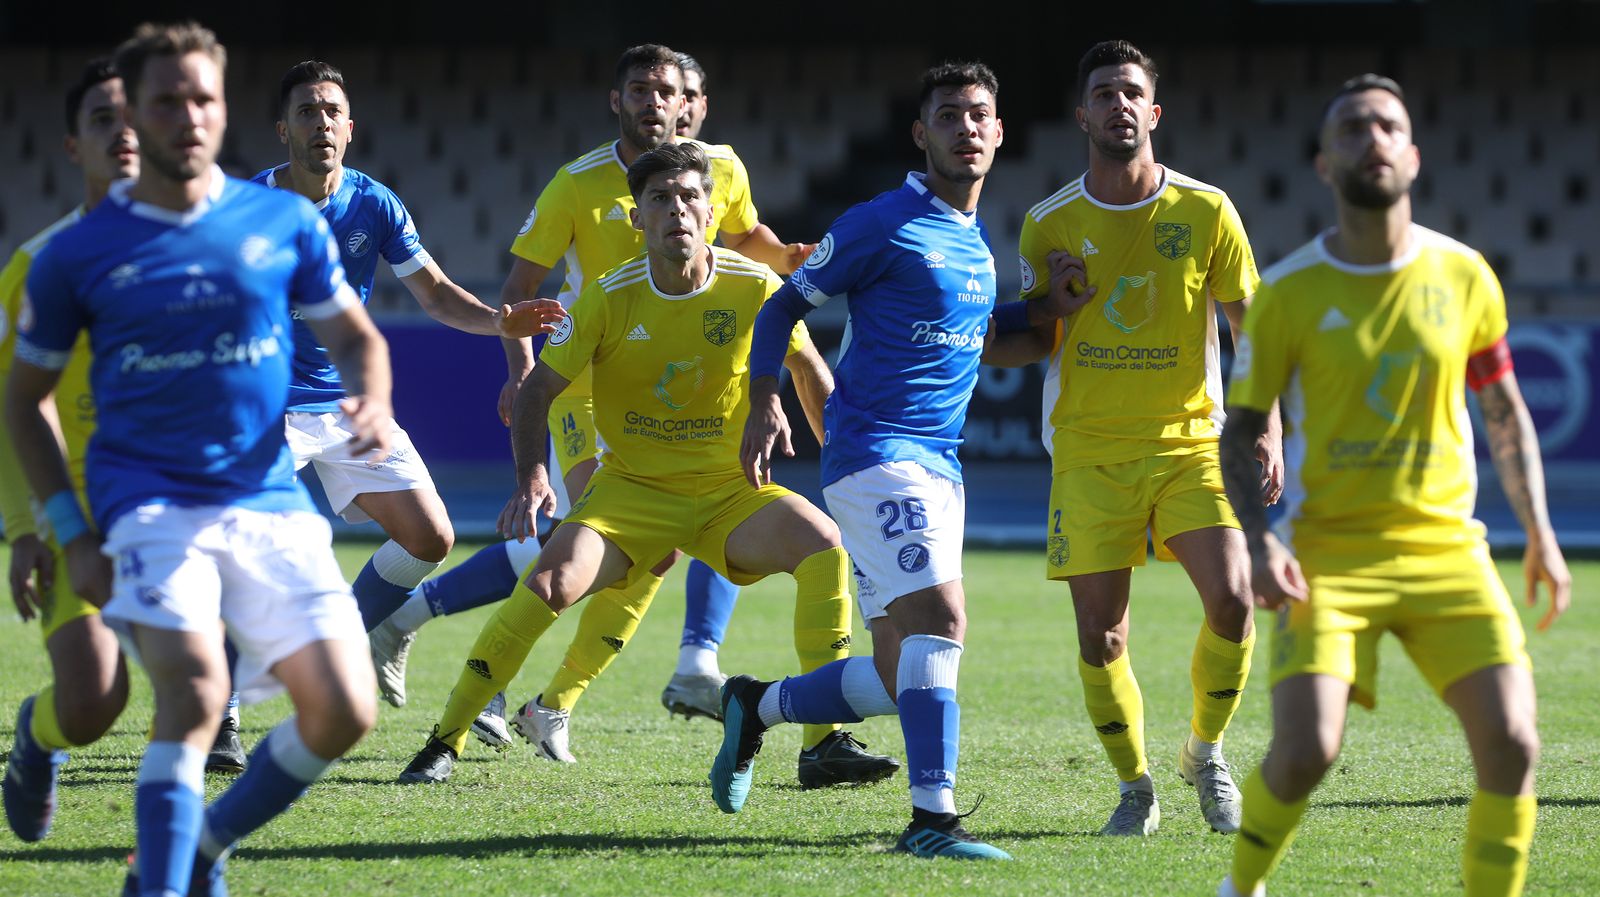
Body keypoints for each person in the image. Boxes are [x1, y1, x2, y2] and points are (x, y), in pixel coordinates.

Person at [371, 45, 888, 784]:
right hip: (625, 474)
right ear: (635, 216)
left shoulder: (753, 285)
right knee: (553, 575)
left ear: (714, 209)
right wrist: (527, 473)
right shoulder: (604, 286)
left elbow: (812, 371)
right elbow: (537, 362)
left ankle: (822, 741)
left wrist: (845, 467)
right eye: (660, 202)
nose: (677, 211)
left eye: (690, 200)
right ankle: (447, 733)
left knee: (824, 544)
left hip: (723, 491)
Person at [5, 22, 388, 895]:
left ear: (224, 110)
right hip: (148, 507)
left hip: (268, 501)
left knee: (344, 710)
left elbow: (357, 336)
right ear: (135, 112)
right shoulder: (70, 255)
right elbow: (23, 400)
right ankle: (164, 879)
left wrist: (374, 394)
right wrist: (65, 531)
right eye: (166, 100)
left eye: (202, 98)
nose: (187, 115)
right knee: (192, 692)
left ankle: (204, 841)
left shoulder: (280, 220)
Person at [1216, 74, 1570, 897]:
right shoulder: (1290, 295)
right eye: (1352, 128)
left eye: (1387, 125)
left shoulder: (1466, 274)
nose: (1372, 137)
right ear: (1323, 163)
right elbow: (1242, 428)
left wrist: (1542, 536)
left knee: (1514, 743)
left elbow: (1506, 412)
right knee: (1305, 754)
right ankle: (1240, 888)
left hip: (1449, 552)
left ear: (1413, 153)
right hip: (1327, 554)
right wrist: (1262, 542)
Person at [714, 62, 1014, 860]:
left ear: (998, 132)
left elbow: (986, 333)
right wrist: (764, 397)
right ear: (922, 134)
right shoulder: (883, 221)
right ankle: (932, 820)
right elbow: (782, 304)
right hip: (877, 453)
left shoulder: (976, 241)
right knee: (942, 625)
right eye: (947, 115)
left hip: (939, 466)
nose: (965, 127)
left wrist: (1056, 306)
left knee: (895, 670)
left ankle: (756, 703)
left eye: (978, 114)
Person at [1009, 40, 1280, 836]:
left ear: (1152, 112)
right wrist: (1050, 303)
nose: (1119, 104)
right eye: (1104, 92)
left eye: (1133, 92)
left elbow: (1249, 326)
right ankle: (1136, 787)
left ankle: (1206, 751)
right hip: (1089, 448)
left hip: (1193, 439)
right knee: (1103, 634)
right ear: (1082, 114)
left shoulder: (1205, 209)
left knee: (1233, 597)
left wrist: (1265, 427)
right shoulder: (1048, 223)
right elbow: (1030, 329)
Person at [0, 57, 138, 842]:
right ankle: (37, 734)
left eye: (133, 116)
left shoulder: (204, 252)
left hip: (177, 509)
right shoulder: (37, 266)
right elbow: (12, 405)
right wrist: (27, 527)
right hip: (77, 513)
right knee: (89, 703)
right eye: (100, 120)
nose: (122, 133)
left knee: (201, 689)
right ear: (71, 147)